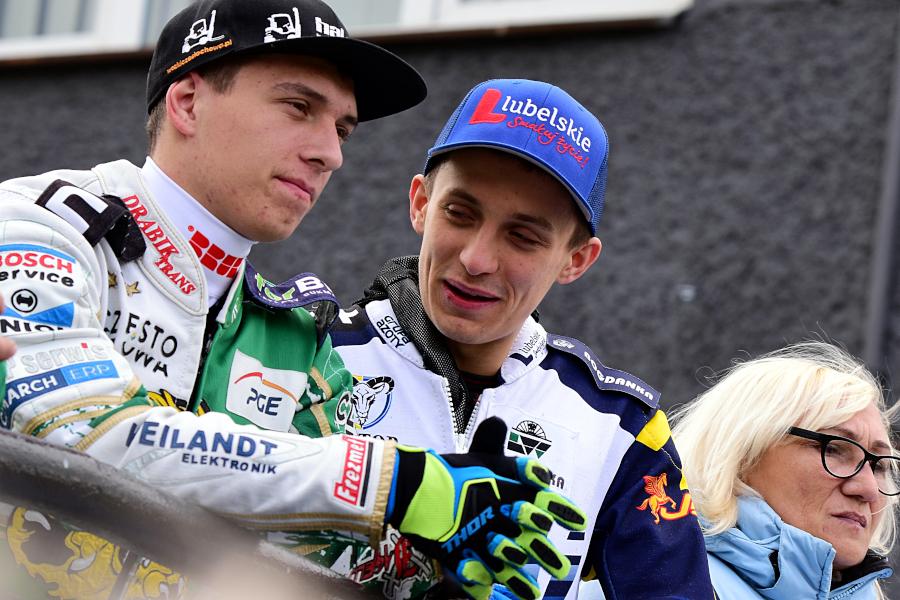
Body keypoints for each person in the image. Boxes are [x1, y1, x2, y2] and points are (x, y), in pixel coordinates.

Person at [0, 3, 586, 599]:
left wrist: (434, 570)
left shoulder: (298, 340)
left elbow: (327, 551)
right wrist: (398, 483)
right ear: (188, 103)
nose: (330, 153)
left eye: (342, 129)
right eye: (299, 107)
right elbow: (78, 430)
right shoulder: (38, 226)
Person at [324, 78, 715, 599]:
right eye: (459, 214)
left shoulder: (620, 426)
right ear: (420, 203)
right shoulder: (310, 354)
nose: (476, 259)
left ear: (577, 260)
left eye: (523, 237)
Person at [670, 341, 897, 598]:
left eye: (879, 466)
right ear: (742, 455)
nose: (868, 489)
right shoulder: (656, 583)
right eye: (834, 449)